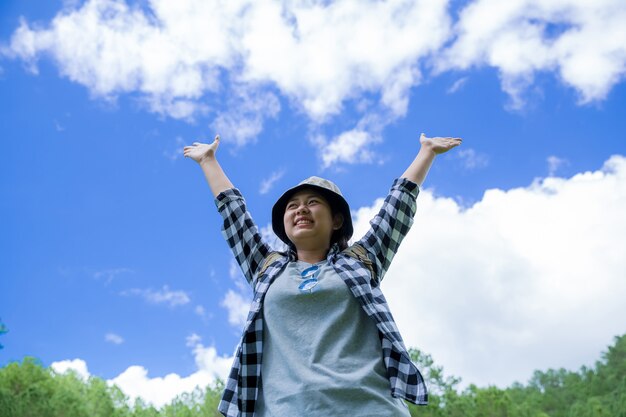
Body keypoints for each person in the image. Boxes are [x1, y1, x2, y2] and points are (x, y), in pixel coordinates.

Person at [184, 133, 462, 417]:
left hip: (369, 408)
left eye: (313, 202)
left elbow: (397, 208)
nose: (301, 208)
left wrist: (426, 152)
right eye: (293, 206)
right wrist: (208, 160)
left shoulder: (361, 261)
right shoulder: (266, 268)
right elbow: (235, 215)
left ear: (337, 220)